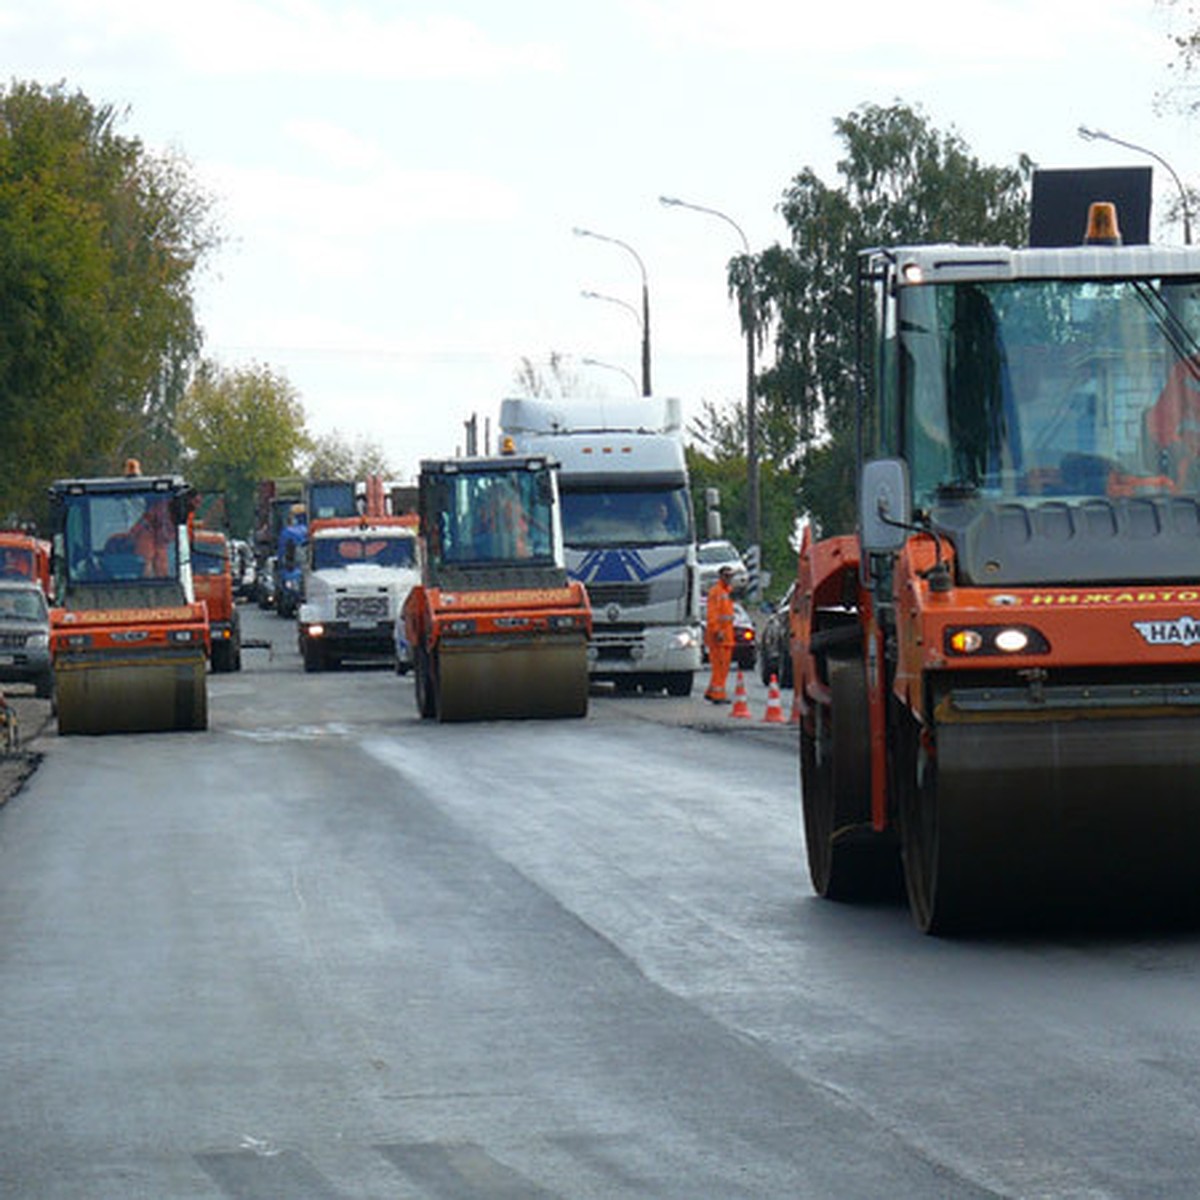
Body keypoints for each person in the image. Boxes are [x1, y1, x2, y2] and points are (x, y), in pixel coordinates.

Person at [704, 564, 736, 704]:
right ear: (721, 576)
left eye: (731, 576)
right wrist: (717, 631)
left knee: (722, 667)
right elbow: (713, 614)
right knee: (720, 667)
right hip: (719, 637)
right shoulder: (716, 592)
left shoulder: (726, 592)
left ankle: (712, 691)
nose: (729, 579)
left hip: (726, 636)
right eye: (726, 576)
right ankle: (718, 695)